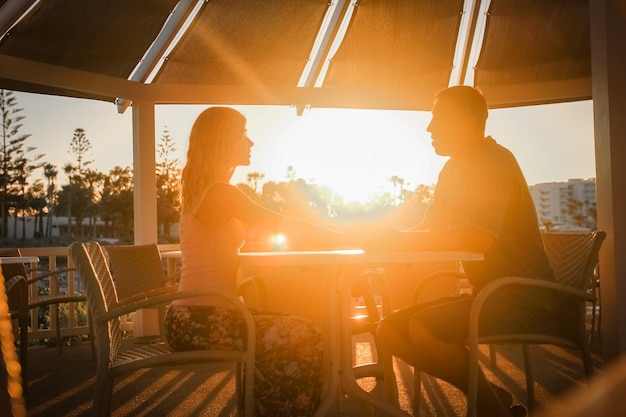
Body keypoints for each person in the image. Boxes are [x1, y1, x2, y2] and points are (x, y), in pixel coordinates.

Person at [346, 86, 556, 417]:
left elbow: (476, 239)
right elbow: (432, 230)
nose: (429, 129)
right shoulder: (453, 169)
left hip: (527, 296)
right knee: (390, 331)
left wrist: (398, 241)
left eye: (437, 119)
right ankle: (492, 400)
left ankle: (490, 409)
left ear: (468, 122)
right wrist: (386, 237)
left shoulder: (494, 163)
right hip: (490, 294)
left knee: (426, 328)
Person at [164, 106, 342, 417]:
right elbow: (277, 222)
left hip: (197, 316)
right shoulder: (219, 193)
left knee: (291, 328)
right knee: (305, 333)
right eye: (243, 134)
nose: (251, 142)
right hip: (203, 320)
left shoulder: (206, 191)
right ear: (223, 141)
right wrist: (344, 235)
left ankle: (268, 409)